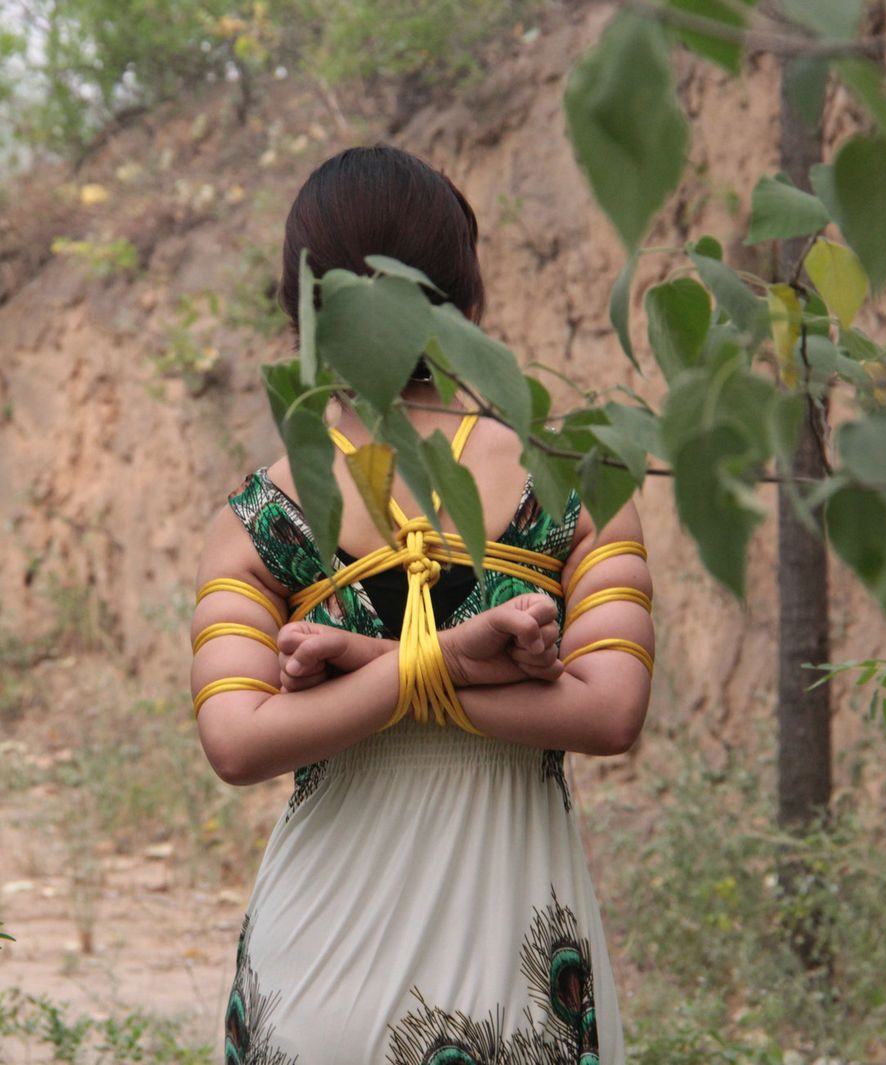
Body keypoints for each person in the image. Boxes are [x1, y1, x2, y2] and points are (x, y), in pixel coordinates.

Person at [189, 144, 655, 1064]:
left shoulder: (260, 517)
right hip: (521, 969)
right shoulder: (575, 484)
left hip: (315, 964)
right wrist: (450, 654)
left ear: (301, 309)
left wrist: (380, 663)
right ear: (466, 299)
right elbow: (608, 710)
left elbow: (237, 740)